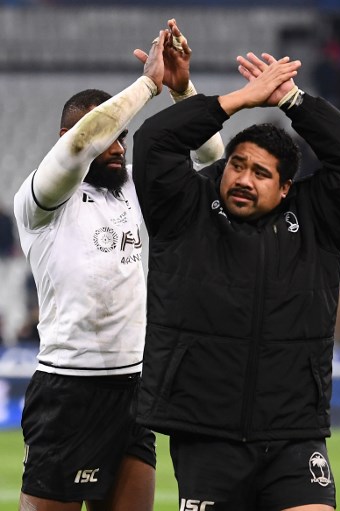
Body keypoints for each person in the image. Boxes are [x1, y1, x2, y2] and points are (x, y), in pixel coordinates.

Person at [132, 49, 340, 510]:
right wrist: (239, 100)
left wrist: (293, 102)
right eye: (237, 164)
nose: (243, 178)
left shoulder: (317, 220)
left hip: (293, 434)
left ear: (286, 188)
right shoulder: (184, 210)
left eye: (261, 173)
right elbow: (155, 141)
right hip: (206, 434)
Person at [13, 19, 224, 511]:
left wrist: (180, 89)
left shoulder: (130, 183)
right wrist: (146, 83)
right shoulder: (40, 199)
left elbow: (212, 157)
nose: (118, 147)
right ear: (68, 136)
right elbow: (84, 144)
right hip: (68, 387)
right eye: (110, 137)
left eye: (122, 137)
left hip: (134, 384)